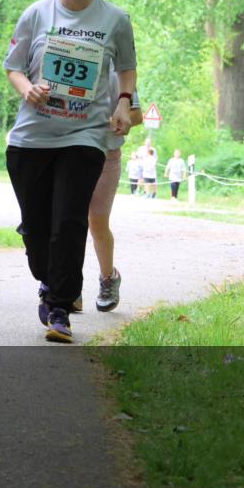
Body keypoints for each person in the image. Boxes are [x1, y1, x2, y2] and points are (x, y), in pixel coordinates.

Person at [3, 0, 136, 343]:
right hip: (32, 137)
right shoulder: (37, 14)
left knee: (70, 219)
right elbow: (14, 67)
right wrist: (28, 89)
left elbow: (127, 69)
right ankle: (49, 280)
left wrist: (122, 103)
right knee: (36, 226)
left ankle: (60, 307)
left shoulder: (114, 20)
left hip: (84, 135)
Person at [86, 77, 143, 313]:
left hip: (107, 154)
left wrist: (113, 122)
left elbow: (137, 115)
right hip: (70, 152)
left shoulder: (119, 74)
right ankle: (67, 288)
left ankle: (108, 277)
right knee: (69, 219)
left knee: (97, 220)